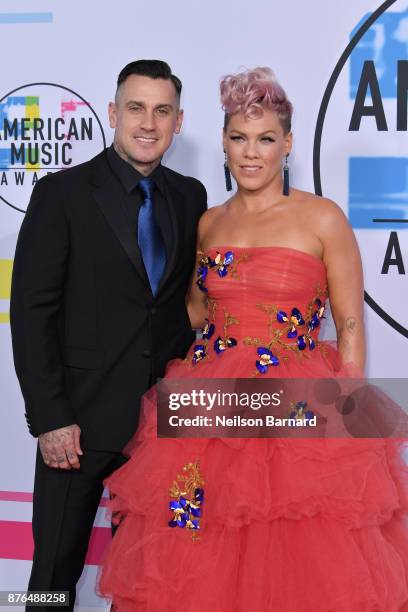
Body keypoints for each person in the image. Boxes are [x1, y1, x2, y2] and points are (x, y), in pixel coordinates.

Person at [98, 67, 408, 611]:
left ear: (287, 143)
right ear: (222, 141)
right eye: (239, 137)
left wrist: (350, 425)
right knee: (194, 536)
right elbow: (195, 311)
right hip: (207, 404)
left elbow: (350, 322)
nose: (251, 153)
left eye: (265, 139)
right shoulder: (208, 222)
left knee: (296, 545)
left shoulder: (322, 217)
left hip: (296, 403)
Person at [10, 59, 207, 611]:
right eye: (137, 108)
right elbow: (32, 312)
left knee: (150, 581)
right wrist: (49, 419)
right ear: (114, 113)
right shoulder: (62, 194)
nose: (149, 122)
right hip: (77, 427)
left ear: (178, 121)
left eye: (162, 110)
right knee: (50, 580)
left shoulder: (190, 196)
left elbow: (180, 307)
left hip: (160, 432)